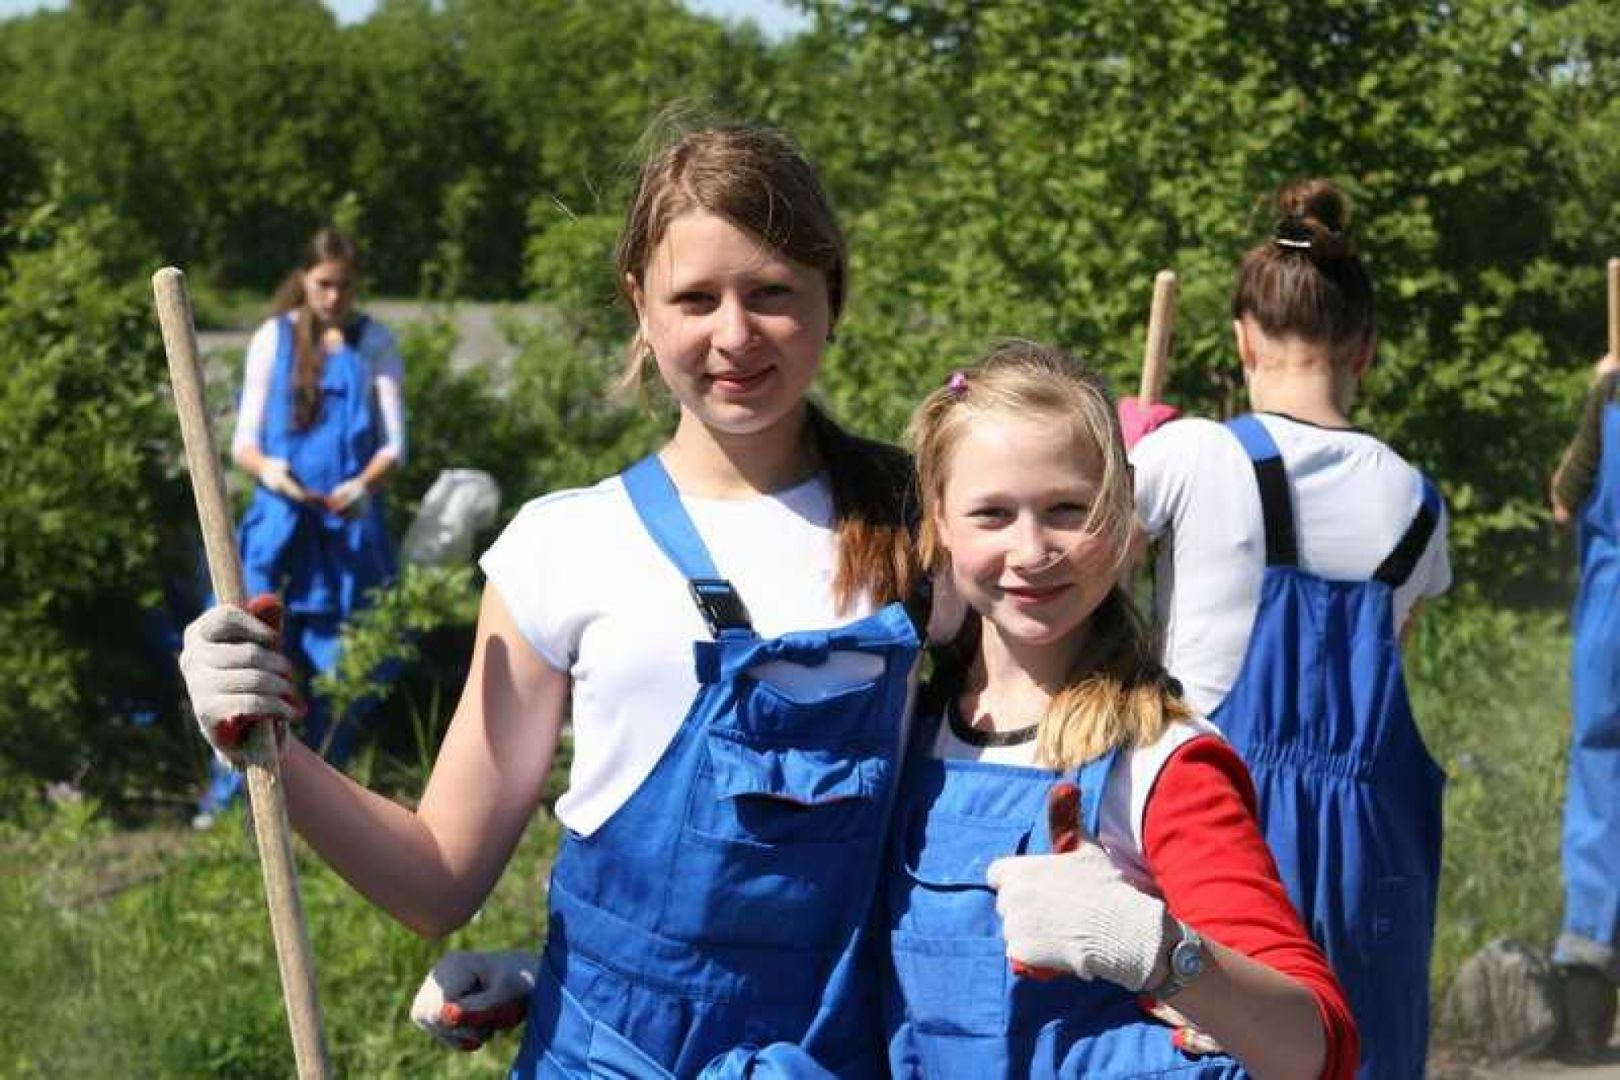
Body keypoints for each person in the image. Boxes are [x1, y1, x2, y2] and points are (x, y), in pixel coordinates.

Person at [179, 121, 926, 1077]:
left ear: (833, 294)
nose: (734, 334)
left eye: (772, 292)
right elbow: (436, 878)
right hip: (607, 1055)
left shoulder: (932, 523)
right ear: (640, 306)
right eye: (695, 298)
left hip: (844, 1050)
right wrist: (267, 739)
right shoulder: (564, 547)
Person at [412, 343, 1360, 1079]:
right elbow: (820, 957)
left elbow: (1316, 1046)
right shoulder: (912, 736)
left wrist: (1153, 950)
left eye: (1069, 510)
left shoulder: (1161, 763)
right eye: (993, 514)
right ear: (937, 527)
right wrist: (555, 977)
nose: (1032, 549)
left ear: (1120, 526)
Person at [1120, 179, 1452, 1078]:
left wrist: (1121, 458)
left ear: (1243, 339)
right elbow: (1382, 678)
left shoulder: (1190, 453)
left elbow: (1087, 593)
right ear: (1366, 349)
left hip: (1219, 825)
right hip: (1369, 854)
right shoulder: (1420, 504)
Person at [192, 226, 405, 828]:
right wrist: (275, 474)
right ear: (304, 281)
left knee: (345, 665)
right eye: (323, 284)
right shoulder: (274, 338)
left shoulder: (375, 342)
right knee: (244, 655)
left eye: (345, 286)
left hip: (347, 532)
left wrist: (363, 486)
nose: (334, 297)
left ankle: (323, 804)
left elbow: (394, 446)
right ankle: (230, 799)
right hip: (280, 525)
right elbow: (245, 445)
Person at [1547, 350, 1620, 1059]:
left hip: (1611, 625)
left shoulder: (1613, 396)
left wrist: (1601, 389)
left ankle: (1586, 1000)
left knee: (1601, 790)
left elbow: (1566, 498)